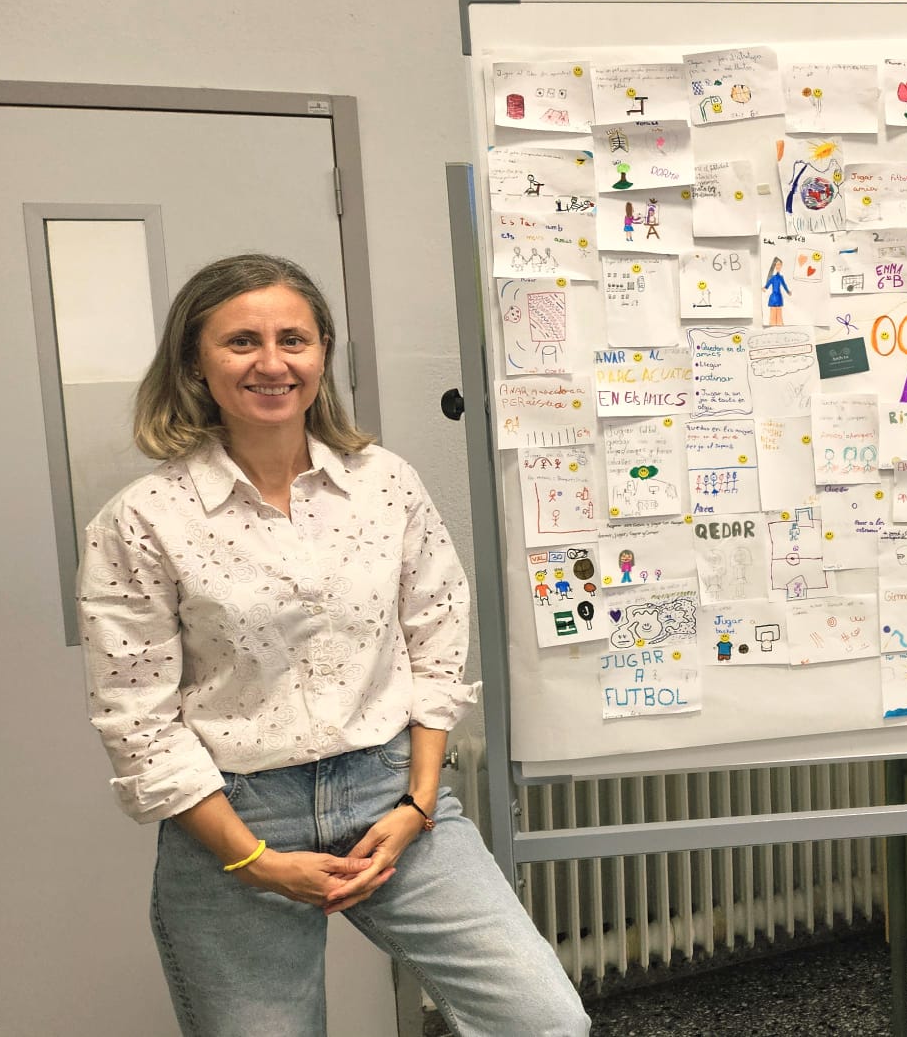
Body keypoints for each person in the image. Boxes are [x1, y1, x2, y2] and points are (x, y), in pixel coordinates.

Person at [78, 254, 588, 1037]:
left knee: (542, 1020)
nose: (272, 363)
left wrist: (418, 803)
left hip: (392, 795)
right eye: (242, 342)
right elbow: (138, 720)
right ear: (194, 362)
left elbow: (436, 640)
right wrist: (253, 859)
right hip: (234, 819)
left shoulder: (384, 483)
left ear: (323, 353)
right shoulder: (143, 519)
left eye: (294, 339)